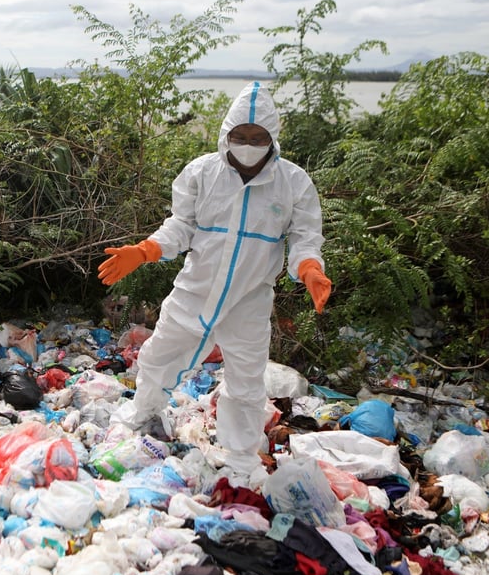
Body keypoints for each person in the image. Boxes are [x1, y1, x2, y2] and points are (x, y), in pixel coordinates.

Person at [98, 81, 331, 481]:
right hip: (196, 289)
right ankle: (145, 416)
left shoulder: (293, 183)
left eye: (257, 137)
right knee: (157, 356)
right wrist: (146, 250)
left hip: (249, 300)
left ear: (272, 138)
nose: (248, 143)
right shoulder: (202, 172)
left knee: (246, 383)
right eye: (240, 136)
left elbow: (305, 235)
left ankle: (240, 459)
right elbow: (180, 226)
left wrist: (309, 266)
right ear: (227, 134)